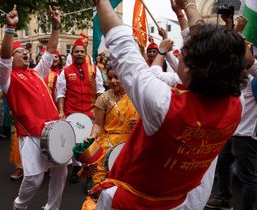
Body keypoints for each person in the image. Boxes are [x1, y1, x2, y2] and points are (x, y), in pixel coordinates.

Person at [92, 0, 248, 209]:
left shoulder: (164, 106)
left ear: (194, 67)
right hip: (176, 203)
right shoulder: (237, 104)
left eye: (185, 52)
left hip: (131, 204)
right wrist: (189, 7)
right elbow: (211, 49)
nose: (181, 55)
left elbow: (122, 45)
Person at [0, 5, 66, 210]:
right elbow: (4, 57)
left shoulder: (37, 72)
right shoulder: (7, 78)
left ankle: (51, 208)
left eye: (26, 51)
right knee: (34, 179)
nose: (25, 54)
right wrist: (10, 29)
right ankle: (20, 205)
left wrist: (56, 26)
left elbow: (51, 50)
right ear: (13, 58)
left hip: (53, 130)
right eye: (20, 52)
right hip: (30, 135)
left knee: (61, 172)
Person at [206, 16, 257, 210]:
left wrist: (241, 33)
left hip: (247, 134)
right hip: (232, 130)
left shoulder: (255, 71)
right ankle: (223, 198)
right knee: (222, 164)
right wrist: (231, 28)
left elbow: (249, 60)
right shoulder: (236, 74)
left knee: (247, 177)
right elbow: (230, 54)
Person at [56, 37, 105, 183]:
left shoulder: (94, 69)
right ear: (72, 54)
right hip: (72, 113)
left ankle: (90, 172)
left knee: (91, 142)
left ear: (85, 53)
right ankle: (77, 167)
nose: (79, 54)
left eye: (81, 51)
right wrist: (61, 112)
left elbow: (100, 92)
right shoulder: (65, 72)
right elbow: (60, 93)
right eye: (76, 51)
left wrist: (100, 111)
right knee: (75, 143)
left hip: (91, 112)